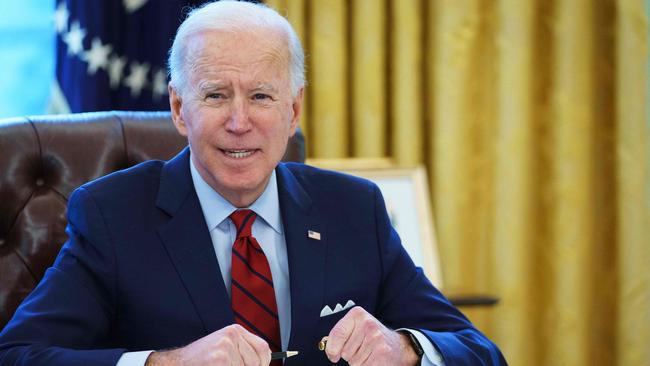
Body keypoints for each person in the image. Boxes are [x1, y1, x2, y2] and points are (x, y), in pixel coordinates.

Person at [0, 1, 506, 365]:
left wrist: (407, 350)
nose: (239, 122)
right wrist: (163, 364)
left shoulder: (352, 209)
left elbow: (478, 350)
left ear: (294, 110)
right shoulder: (113, 214)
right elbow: (20, 354)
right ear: (179, 108)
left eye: (262, 97)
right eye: (217, 95)